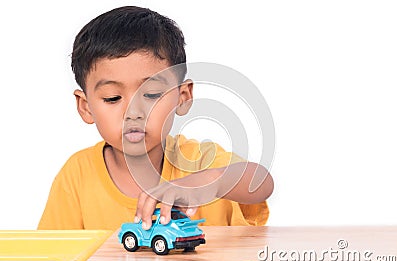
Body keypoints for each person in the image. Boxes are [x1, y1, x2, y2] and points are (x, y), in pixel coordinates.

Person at [38, 6, 274, 230]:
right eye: (112, 98)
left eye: (151, 95)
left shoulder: (199, 160)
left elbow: (261, 182)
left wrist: (204, 183)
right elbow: (52, 253)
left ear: (182, 97)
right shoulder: (77, 175)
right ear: (86, 107)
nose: (133, 112)